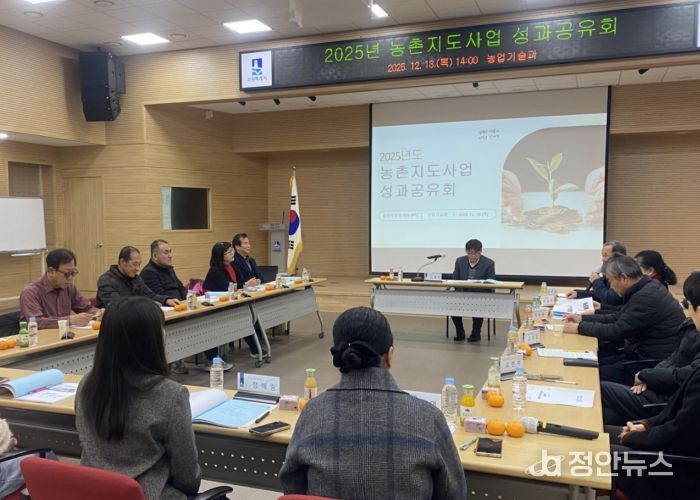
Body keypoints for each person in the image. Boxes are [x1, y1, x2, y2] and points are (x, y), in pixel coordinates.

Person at [280, 307, 466, 499]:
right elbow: (454, 493)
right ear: (390, 355)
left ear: (339, 355)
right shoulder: (428, 417)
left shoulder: (313, 412)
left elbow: (291, 486)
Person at [75, 296, 201, 499]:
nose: (165, 333)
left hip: (94, 492)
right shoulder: (170, 394)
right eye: (161, 328)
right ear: (148, 340)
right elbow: (188, 479)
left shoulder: (87, 384)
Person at [605, 282, 700, 499]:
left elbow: (679, 434)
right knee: (598, 432)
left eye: (688, 306)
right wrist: (646, 425)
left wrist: (634, 438)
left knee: (586, 452)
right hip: (670, 448)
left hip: (675, 469)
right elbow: (681, 415)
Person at [563, 255, 685, 385]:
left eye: (610, 281)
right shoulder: (646, 287)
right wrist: (582, 318)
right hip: (643, 354)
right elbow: (618, 317)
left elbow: (617, 331)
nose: (611, 287)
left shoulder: (645, 296)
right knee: (588, 363)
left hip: (651, 364)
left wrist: (580, 327)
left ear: (623, 278)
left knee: (588, 374)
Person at [601, 272, 700, 425]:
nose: (685, 306)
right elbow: (672, 358)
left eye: (687, 302)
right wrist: (649, 377)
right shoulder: (691, 327)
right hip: (657, 386)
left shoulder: (647, 294)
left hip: (666, 402)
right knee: (607, 415)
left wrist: (647, 376)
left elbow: (686, 376)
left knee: (599, 387)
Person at [203, 242, 259, 363]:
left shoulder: (231, 266)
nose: (232, 253)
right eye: (229, 252)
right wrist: (245, 284)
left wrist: (250, 283)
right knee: (239, 319)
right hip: (215, 306)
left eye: (232, 250)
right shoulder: (215, 270)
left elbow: (239, 282)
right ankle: (212, 359)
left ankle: (255, 349)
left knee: (242, 319)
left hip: (229, 303)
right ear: (220, 255)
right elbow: (226, 286)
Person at [19, 248, 101, 329]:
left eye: (73, 273)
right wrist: (69, 320)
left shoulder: (69, 287)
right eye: (67, 274)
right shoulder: (31, 292)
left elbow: (85, 308)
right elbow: (37, 322)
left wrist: (98, 313)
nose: (70, 278)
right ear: (51, 271)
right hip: (41, 337)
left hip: (66, 335)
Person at [140, 240, 189, 374]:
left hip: (179, 308)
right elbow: (158, 295)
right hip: (166, 313)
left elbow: (180, 288)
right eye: (166, 252)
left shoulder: (169, 269)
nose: (170, 255)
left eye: (170, 252)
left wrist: (188, 298)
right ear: (155, 256)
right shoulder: (148, 272)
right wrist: (176, 302)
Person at [96, 246, 181, 308]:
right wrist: (146, 304)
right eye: (134, 264)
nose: (137, 269)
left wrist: (166, 300)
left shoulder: (136, 278)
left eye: (139, 264)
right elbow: (117, 306)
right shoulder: (106, 280)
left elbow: (150, 295)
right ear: (122, 262)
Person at [450, 239, 495, 342]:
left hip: (480, 295)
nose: (473, 256)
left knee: (478, 307)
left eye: (475, 253)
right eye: (470, 253)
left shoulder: (489, 263)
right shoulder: (460, 261)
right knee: (452, 306)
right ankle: (460, 333)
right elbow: (455, 279)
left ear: (480, 251)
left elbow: (490, 282)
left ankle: (475, 334)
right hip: (462, 294)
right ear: (466, 251)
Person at [567, 240, 627, 306]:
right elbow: (599, 294)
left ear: (618, 257)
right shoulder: (610, 272)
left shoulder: (622, 274)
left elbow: (609, 299)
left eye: (606, 255)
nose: (602, 259)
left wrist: (596, 281)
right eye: (602, 255)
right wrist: (578, 294)